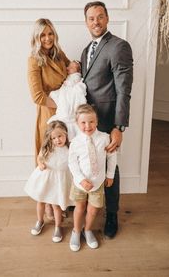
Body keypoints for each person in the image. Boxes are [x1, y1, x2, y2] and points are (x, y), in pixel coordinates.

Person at [80, 1, 133, 239]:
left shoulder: (119, 46)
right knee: (86, 164)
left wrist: (118, 126)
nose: (96, 22)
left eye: (100, 17)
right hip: (86, 123)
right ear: (86, 22)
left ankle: (112, 214)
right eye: (91, 18)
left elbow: (124, 90)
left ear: (108, 18)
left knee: (111, 168)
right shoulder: (86, 50)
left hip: (108, 121)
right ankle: (86, 205)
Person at [28, 18, 70, 219]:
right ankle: (45, 204)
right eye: (43, 35)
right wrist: (61, 102)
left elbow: (71, 71)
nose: (47, 38)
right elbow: (37, 96)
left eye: (50, 33)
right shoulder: (34, 60)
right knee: (47, 158)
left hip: (66, 114)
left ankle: (62, 199)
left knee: (63, 157)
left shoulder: (59, 54)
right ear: (37, 37)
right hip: (49, 114)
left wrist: (76, 67)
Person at [68, 104, 117, 252]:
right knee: (80, 207)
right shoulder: (75, 142)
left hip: (97, 183)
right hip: (80, 184)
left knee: (93, 210)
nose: (87, 126)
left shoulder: (104, 138)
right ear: (78, 123)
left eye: (91, 121)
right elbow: (72, 162)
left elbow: (112, 157)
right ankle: (76, 231)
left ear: (97, 121)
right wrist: (81, 179)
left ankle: (87, 230)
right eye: (83, 122)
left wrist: (110, 175)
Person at [24, 120, 72, 243]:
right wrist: (40, 164)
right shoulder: (48, 148)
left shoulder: (69, 149)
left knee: (56, 205)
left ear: (66, 134)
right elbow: (39, 158)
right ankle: (40, 221)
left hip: (59, 181)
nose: (57, 140)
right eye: (54, 138)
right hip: (45, 179)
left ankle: (58, 226)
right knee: (41, 201)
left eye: (60, 136)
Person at [47, 60, 87, 140]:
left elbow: (74, 88)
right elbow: (64, 91)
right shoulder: (68, 78)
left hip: (69, 106)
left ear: (78, 71)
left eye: (71, 67)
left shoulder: (76, 77)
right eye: (68, 66)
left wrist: (68, 85)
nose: (67, 68)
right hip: (65, 97)